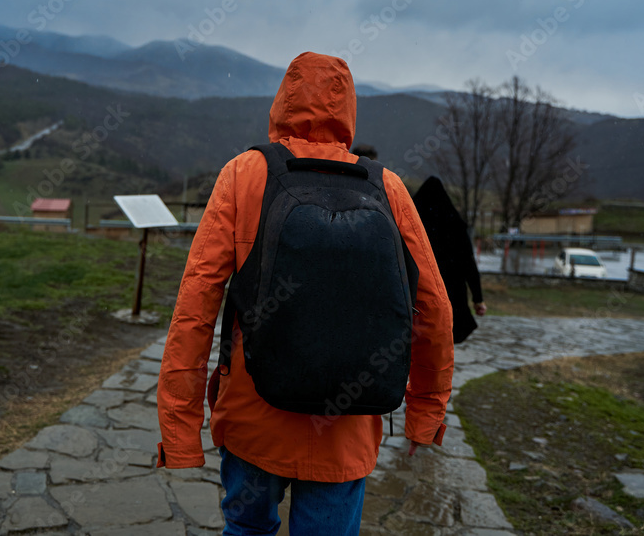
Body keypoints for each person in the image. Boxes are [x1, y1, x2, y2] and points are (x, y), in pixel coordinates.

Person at [156, 52, 454, 535]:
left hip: (255, 417)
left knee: (248, 529)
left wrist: (179, 430)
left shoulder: (244, 174)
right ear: (349, 111)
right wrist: (425, 412)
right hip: (347, 428)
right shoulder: (388, 188)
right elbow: (435, 310)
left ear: (283, 101)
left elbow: (196, 304)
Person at [412, 177, 487, 343]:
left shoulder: (411, 225)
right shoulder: (455, 225)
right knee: (444, 343)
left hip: (418, 295)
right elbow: (469, 264)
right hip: (451, 293)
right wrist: (478, 299)